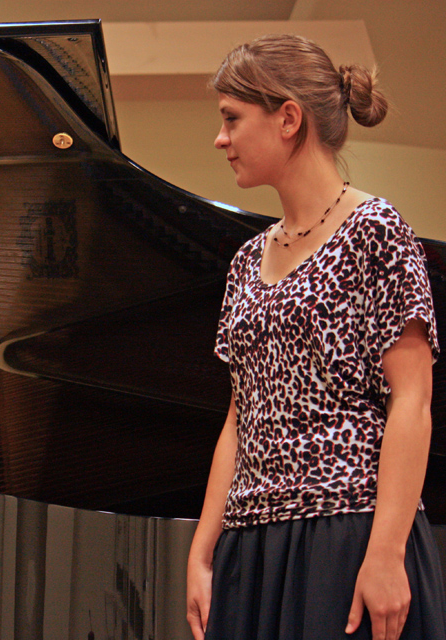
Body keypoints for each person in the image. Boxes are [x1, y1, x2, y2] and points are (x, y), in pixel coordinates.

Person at [186, 35, 446, 640]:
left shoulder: (376, 231)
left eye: (231, 119)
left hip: (345, 533)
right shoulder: (246, 260)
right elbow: (240, 416)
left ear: (288, 119)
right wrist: (202, 550)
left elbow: (413, 400)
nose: (220, 138)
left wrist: (386, 555)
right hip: (250, 545)